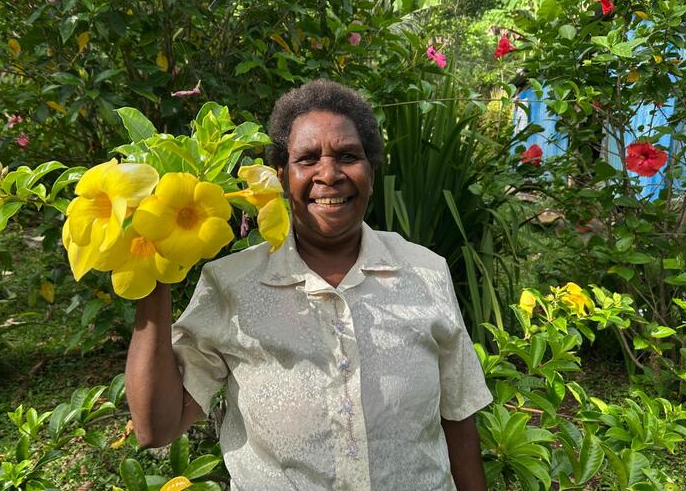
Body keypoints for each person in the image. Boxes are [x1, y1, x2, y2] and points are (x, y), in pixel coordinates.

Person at [125, 79, 493, 490]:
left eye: (348, 156)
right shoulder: (231, 284)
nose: (329, 174)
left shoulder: (426, 272)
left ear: (371, 170)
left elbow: (458, 420)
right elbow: (155, 428)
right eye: (307, 159)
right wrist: (151, 277)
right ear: (281, 175)